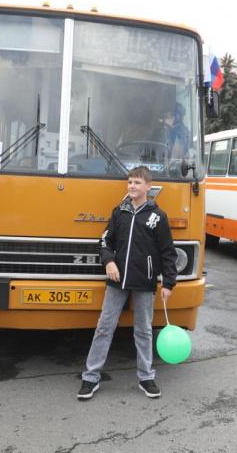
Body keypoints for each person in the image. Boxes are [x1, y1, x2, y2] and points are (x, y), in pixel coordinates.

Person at [78, 166, 178, 401]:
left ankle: (146, 377)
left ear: (148, 187)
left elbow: (168, 252)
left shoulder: (157, 217)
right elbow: (105, 241)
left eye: (137, 182)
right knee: (104, 328)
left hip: (145, 281)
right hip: (117, 280)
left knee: (143, 331)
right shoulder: (119, 212)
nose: (132, 186)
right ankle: (90, 377)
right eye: (130, 182)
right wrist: (109, 262)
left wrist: (168, 283)